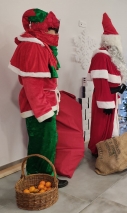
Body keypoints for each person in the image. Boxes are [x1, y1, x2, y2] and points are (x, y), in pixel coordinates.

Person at [8, 8, 68, 188]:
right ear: (42, 27)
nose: (55, 34)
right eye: (52, 29)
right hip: (40, 108)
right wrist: (44, 111)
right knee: (44, 143)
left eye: (57, 30)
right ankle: (44, 179)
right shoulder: (33, 46)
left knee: (44, 143)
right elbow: (32, 85)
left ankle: (41, 177)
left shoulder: (42, 46)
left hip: (45, 105)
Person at [88, 13, 127, 156]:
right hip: (104, 98)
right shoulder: (101, 55)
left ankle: (107, 149)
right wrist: (105, 103)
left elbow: (116, 75)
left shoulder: (112, 56)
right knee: (101, 126)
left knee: (110, 126)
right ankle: (98, 150)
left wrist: (121, 86)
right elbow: (100, 82)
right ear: (111, 41)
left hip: (111, 97)